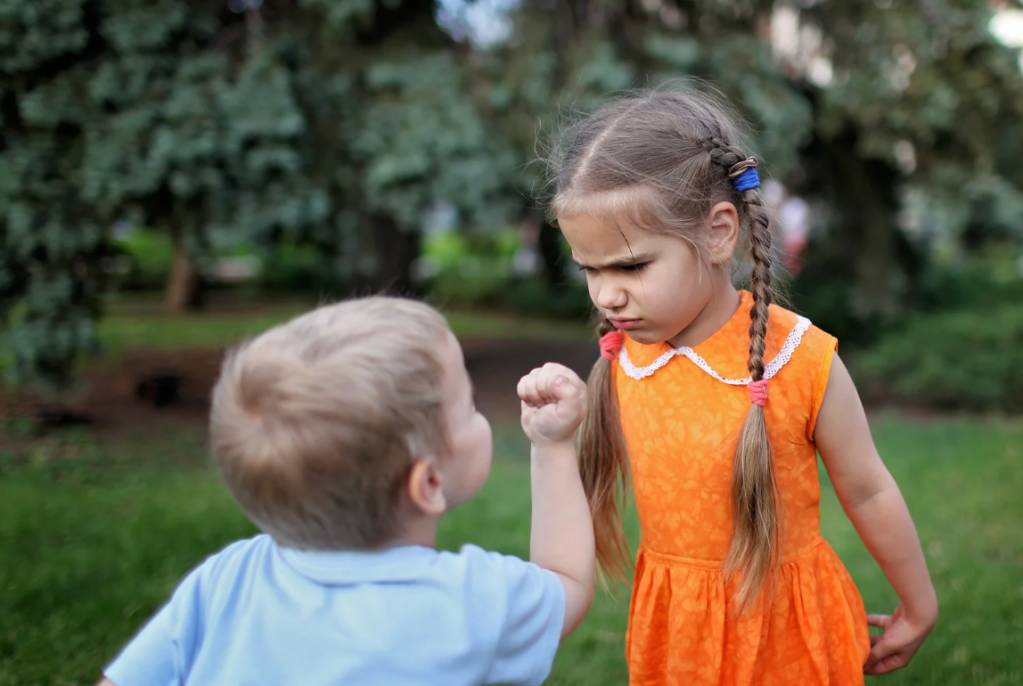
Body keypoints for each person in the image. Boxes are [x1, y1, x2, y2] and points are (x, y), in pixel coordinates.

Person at [547, 87, 938, 685]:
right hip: (678, 634)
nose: (606, 295)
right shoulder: (625, 357)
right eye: (589, 269)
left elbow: (866, 489)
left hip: (787, 635)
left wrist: (919, 602)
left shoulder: (796, 358)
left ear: (717, 232)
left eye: (630, 266)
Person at [95, 296, 594, 686]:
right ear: (429, 483)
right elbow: (566, 581)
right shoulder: (470, 600)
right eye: (470, 405)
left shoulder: (227, 578)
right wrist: (552, 446)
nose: (479, 410)